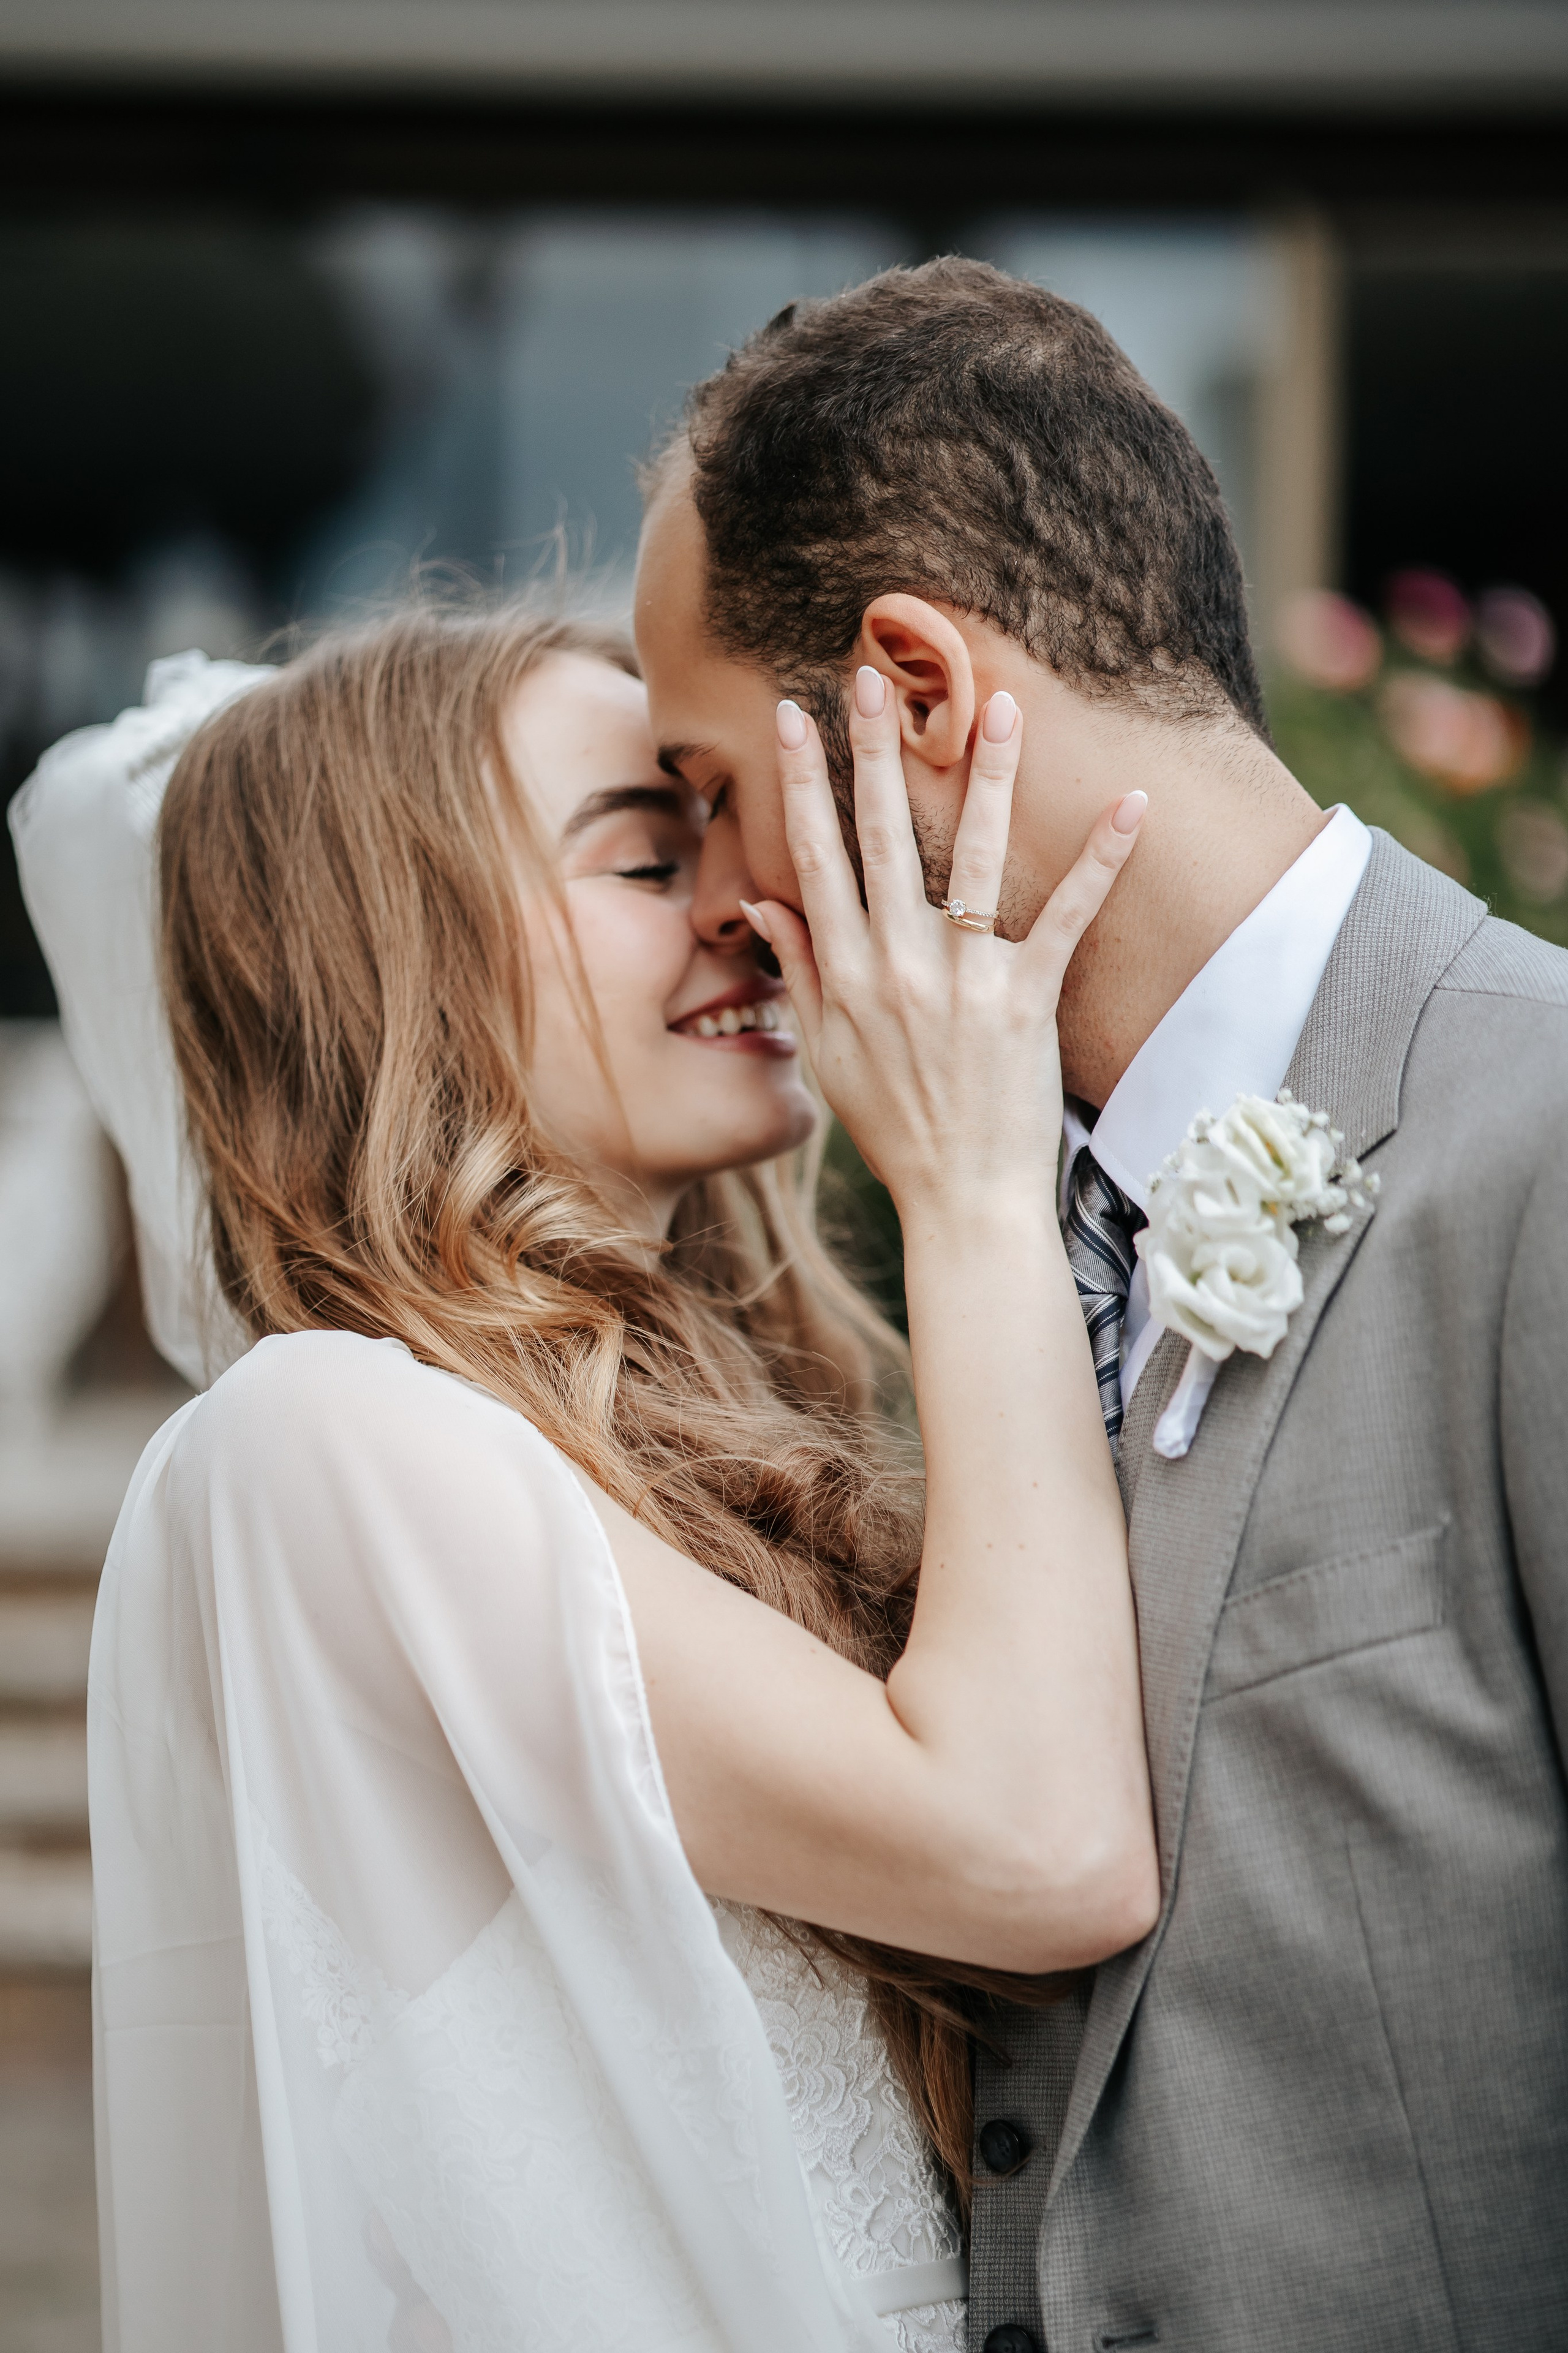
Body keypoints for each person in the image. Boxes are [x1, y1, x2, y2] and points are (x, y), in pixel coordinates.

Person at [11, 605, 1158, 2353]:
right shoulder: (322, 1443)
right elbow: (1041, 1848)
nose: (750, 906)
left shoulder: (676, 1440)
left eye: (726, 831)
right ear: (390, 956)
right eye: (645, 852)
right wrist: (979, 1187)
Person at [635, 257, 1568, 2352]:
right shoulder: (964, 1212)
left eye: (707, 791)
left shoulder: (1551, 1140)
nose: (711, 905)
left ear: (916, 694)